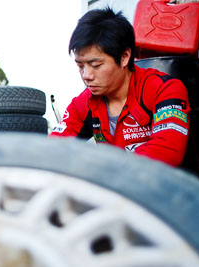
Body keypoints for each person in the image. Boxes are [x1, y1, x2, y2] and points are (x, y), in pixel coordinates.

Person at [49, 7, 190, 167]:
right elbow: (53, 149)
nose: (86, 75)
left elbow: (166, 152)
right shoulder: (84, 102)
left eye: (95, 65)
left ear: (124, 57)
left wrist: (104, 170)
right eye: (80, 66)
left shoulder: (165, 90)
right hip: (118, 188)